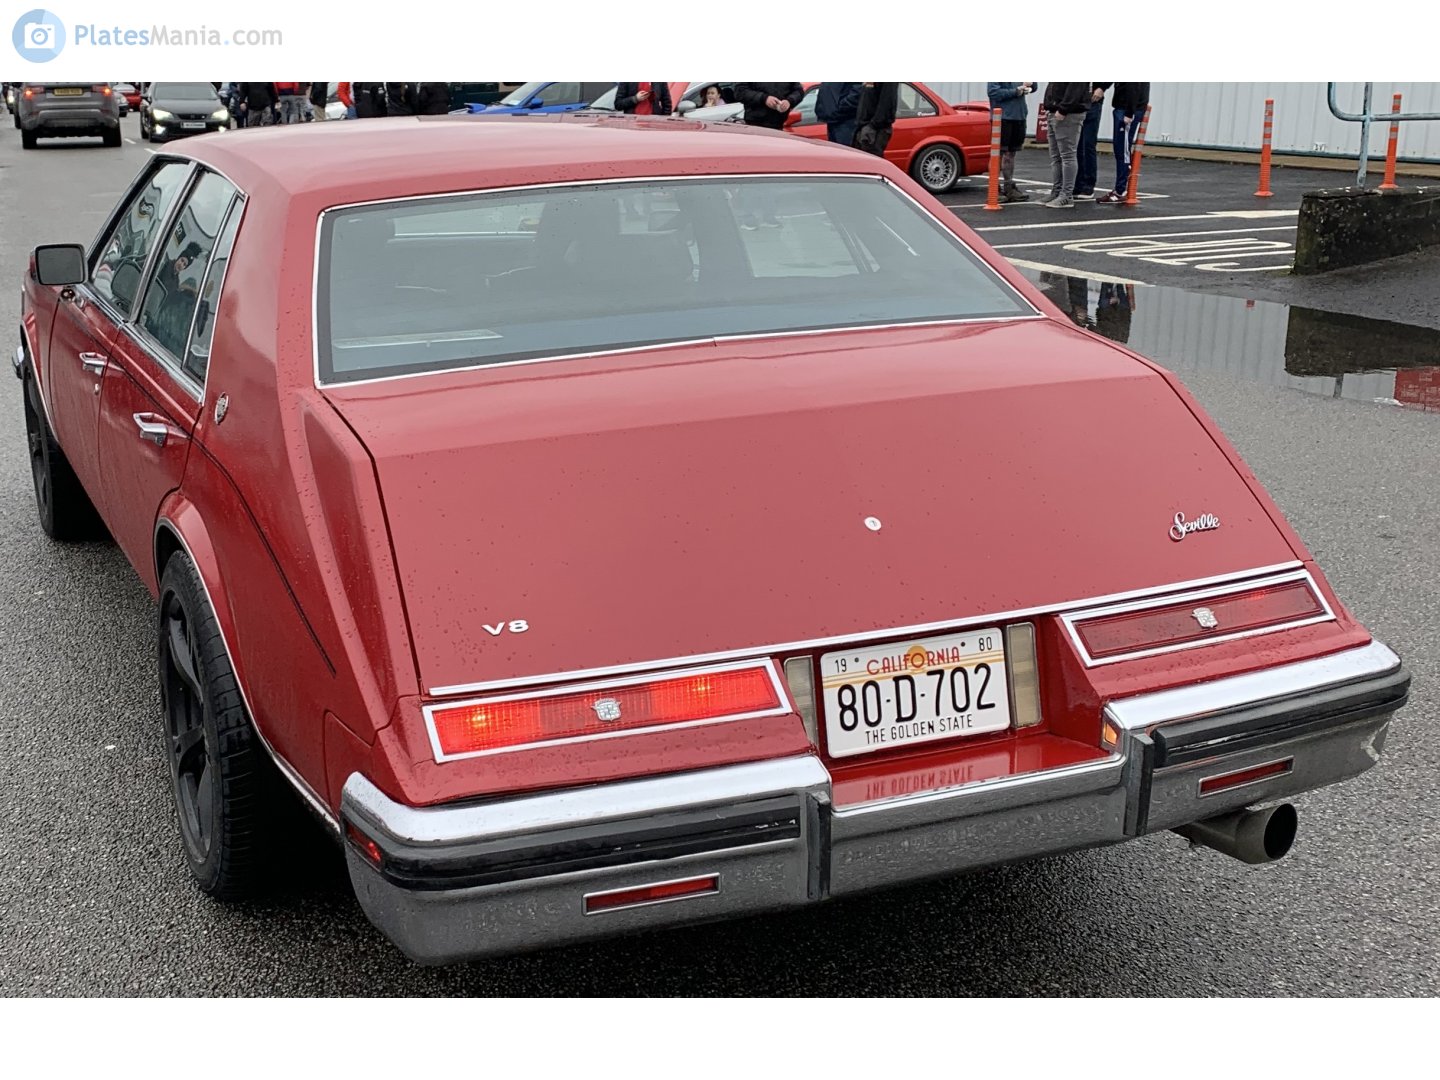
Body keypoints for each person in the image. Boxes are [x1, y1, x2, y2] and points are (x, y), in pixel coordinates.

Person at [1098, 83, 1151, 204]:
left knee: (1123, 150)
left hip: (1126, 110)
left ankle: (1120, 190)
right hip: (1124, 108)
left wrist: (1129, 113)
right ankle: (1120, 188)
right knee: (1120, 149)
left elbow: (1134, 87)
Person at [1041, 82, 1089, 207]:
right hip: (1055, 111)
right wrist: (1049, 107)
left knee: (1067, 156)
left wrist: (1063, 109)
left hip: (1068, 114)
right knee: (1056, 156)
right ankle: (1057, 191)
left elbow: (1075, 88)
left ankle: (1066, 195)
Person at [986, 82, 1036, 202]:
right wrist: (1016, 91)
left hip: (1019, 116)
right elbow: (993, 92)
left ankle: (1009, 187)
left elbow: (1034, 87)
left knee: (1011, 153)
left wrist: (1031, 85)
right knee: (998, 153)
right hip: (1002, 118)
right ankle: (994, 188)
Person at [1074, 83, 1109, 199]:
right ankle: (1077, 184)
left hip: (1093, 100)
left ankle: (1088, 185)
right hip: (1077, 101)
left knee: (1088, 144)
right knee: (1077, 145)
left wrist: (1102, 87)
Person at [853, 82, 898, 157]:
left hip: (875, 131)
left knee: (871, 162)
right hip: (863, 128)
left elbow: (887, 103)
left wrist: (872, 126)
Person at [734, 82, 805, 129]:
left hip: (779, 124)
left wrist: (789, 101)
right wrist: (764, 98)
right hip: (755, 125)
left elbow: (799, 91)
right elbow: (740, 92)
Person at [815, 82, 861, 147]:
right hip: (832, 120)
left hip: (846, 122)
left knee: (845, 151)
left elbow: (858, 92)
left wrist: (839, 108)